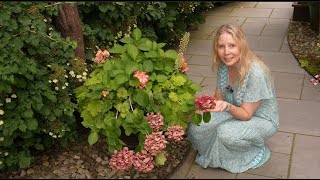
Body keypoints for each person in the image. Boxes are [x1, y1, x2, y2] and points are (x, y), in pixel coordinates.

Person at [187, 24, 279, 173]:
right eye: (221, 46)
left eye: (232, 46)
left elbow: (246, 115)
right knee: (196, 126)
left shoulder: (256, 73)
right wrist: (206, 104)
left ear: (241, 46)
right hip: (235, 110)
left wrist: (227, 106)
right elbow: (219, 97)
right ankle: (223, 153)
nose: (226, 52)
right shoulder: (224, 65)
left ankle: (254, 149)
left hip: (260, 119)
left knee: (226, 133)